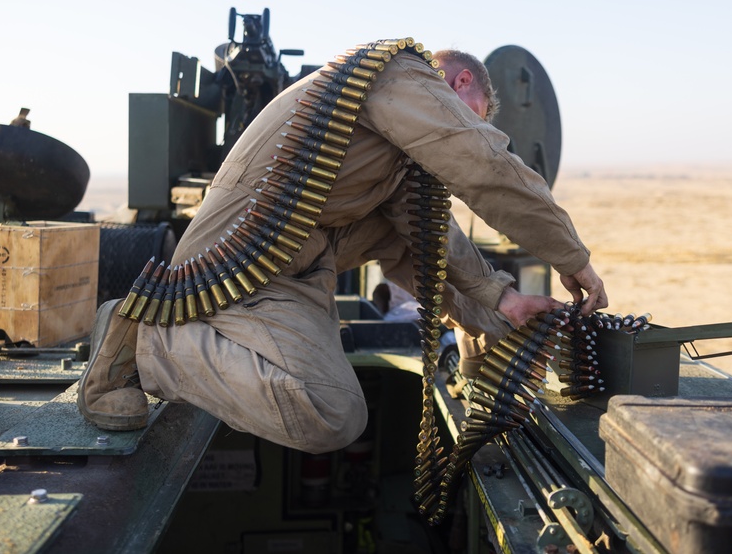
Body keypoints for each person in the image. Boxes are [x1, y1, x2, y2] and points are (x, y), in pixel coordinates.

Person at [77, 42, 607, 453]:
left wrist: (498, 303)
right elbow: (483, 163)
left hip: (295, 261)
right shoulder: (400, 74)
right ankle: (144, 342)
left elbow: (426, 237)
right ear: (461, 80)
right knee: (332, 413)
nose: (472, 124)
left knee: (411, 232)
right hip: (245, 262)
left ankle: (485, 333)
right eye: (476, 112)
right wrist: (572, 257)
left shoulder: (393, 139)